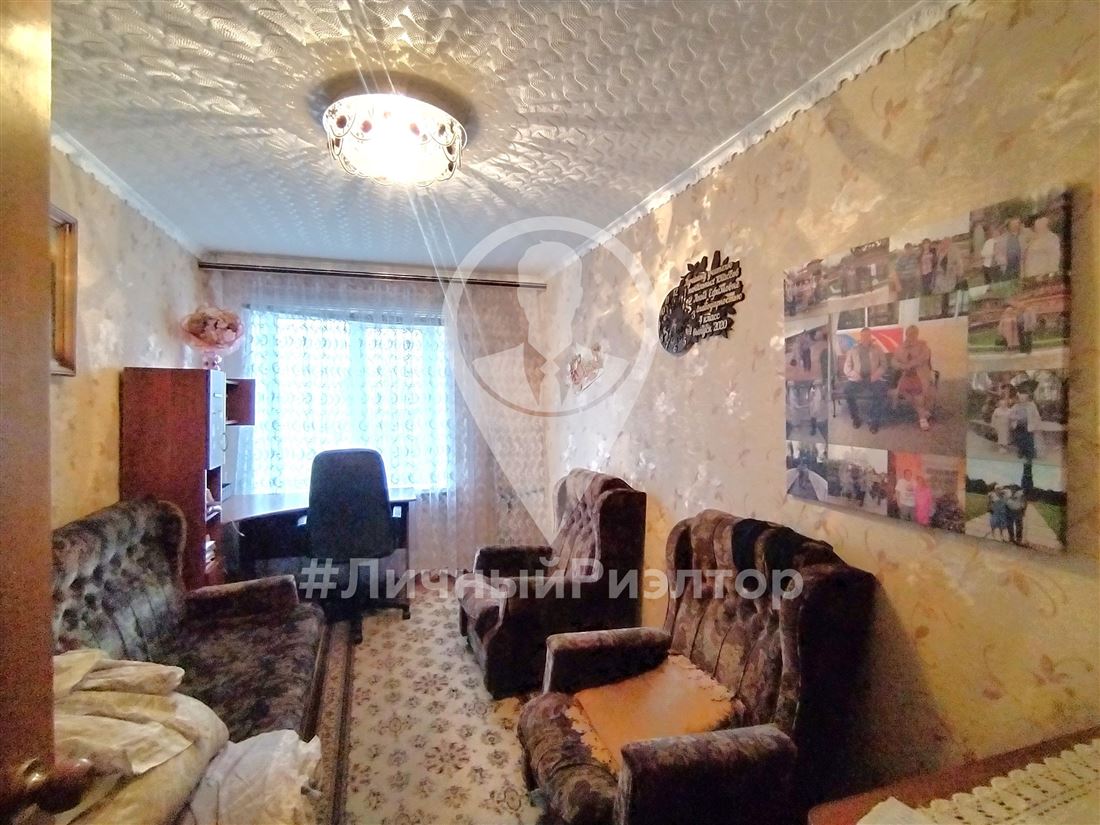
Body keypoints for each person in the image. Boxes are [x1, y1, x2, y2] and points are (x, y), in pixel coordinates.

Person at [842, 329, 888, 433]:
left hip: (873, 379)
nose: (865, 338)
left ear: (870, 337)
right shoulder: (853, 350)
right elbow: (847, 368)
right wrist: (855, 375)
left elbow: (884, 365)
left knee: (880, 392)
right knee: (847, 391)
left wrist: (875, 376)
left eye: (867, 336)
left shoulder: (877, 349)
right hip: (857, 379)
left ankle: (874, 421)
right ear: (860, 337)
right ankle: (855, 418)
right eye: (863, 336)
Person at [892, 324, 936, 431]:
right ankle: (922, 412)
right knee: (902, 390)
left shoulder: (923, 346)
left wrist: (909, 365)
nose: (911, 336)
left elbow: (923, 358)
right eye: (909, 334)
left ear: (917, 334)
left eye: (913, 334)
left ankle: (922, 419)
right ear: (906, 335)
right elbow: (893, 361)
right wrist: (901, 366)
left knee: (918, 394)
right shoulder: (901, 347)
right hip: (907, 376)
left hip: (920, 375)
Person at [1011, 390, 1041, 491]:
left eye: (1024, 397)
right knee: (1021, 443)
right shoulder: (1016, 406)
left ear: (1027, 397)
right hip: (1019, 429)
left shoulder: (1032, 406)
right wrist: (1016, 417)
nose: (1022, 399)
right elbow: (1010, 415)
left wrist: (1034, 426)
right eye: (1021, 397)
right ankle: (1021, 452)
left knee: (1029, 447)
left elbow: (1037, 417)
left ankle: (1029, 456)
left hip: (1028, 429)